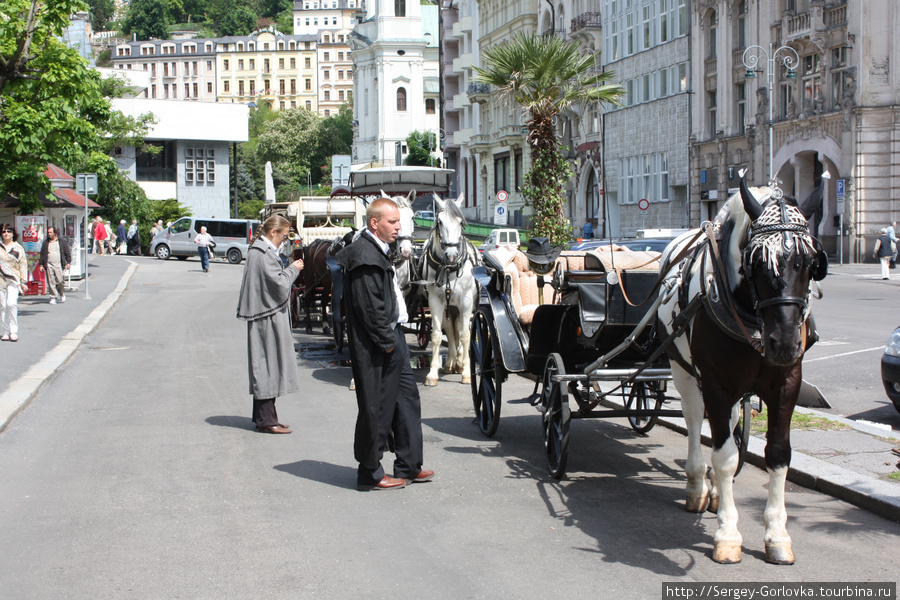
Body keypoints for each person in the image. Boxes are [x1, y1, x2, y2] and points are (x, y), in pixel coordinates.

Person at [336, 198, 433, 491]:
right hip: (380, 345)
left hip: (393, 339)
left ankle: (408, 466)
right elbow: (370, 310)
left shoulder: (378, 250)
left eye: (399, 222)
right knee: (376, 407)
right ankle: (370, 473)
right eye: (392, 222)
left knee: (406, 402)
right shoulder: (364, 255)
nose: (398, 227)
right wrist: (389, 345)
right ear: (374, 223)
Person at [236, 215, 304, 434]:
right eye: (283, 236)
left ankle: (265, 416)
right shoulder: (263, 253)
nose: (284, 241)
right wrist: (293, 269)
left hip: (264, 313)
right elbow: (279, 284)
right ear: (273, 232)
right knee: (267, 364)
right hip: (267, 316)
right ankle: (266, 420)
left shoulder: (260, 251)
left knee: (266, 363)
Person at [0, 224, 29, 342]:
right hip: (0, 279)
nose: (6, 233)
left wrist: (24, 281)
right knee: (2, 305)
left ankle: (13, 330)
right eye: (3, 232)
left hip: (14, 279)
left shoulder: (18, 248)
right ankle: (5, 331)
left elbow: (23, 265)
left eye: (8, 231)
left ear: (13, 233)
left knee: (11, 303)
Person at [39, 226, 71, 305]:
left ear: (55, 233)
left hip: (59, 264)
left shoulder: (61, 241)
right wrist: (41, 264)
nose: (49, 234)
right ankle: (53, 297)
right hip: (49, 264)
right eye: (48, 232)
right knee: (51, 281)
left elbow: (67, 252)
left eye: (50, 232)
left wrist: (68, 262)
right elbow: (42, 254)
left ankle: (61, 293)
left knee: (60, 281)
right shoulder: (46, 242)